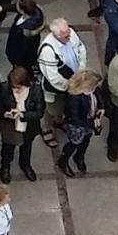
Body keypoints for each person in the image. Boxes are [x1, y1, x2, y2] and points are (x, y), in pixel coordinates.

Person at [37, 17, 88, 149]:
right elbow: (53, 78)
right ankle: (46, 128)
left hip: (74, 81)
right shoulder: (48, 50)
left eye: (68, 33)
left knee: (65, 106)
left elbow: (81, 49)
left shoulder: (70, 34)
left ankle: (59, 121)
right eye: (65, 35)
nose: (69, 36)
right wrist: (71, 86)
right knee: (51, 108)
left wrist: (81, 69)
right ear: (56, 35)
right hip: (56, 88)